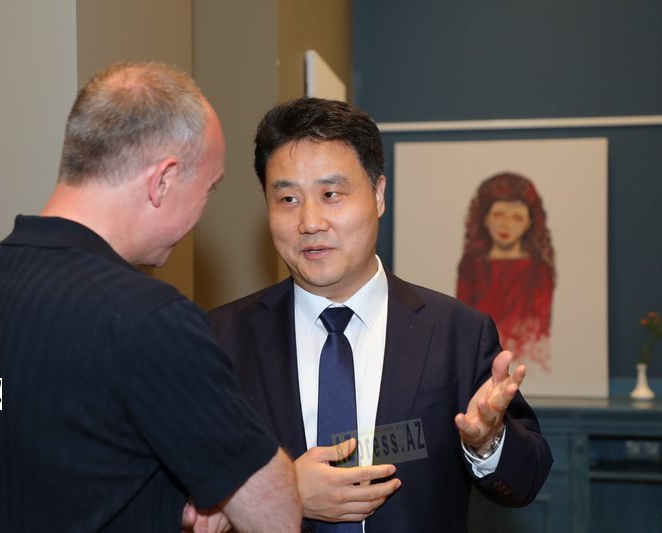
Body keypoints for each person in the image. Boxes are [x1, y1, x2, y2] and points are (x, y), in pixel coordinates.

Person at [0, 62, 300, 532]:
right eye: (208, 189)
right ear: (163, 180)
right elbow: (275, 515)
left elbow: (36, 444)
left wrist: (161, 499)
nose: (201, 213)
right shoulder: (147, 319)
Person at [209, 97, 553, 532]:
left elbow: (526, 481)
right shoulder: (218, 339)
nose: (310, 222)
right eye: (288, 199)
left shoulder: (457, 333)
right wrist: (283, 490)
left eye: (331, 195)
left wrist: (487, 442)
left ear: (377, 195)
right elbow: (174, 494)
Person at [456, 172, 555, 372]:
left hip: (523, 360)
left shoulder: (539, 271)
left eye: (517, 218)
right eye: (498, 215)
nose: (506, 224)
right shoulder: (471, 267)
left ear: (529, 223)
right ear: (484, 218)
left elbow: (537, 330)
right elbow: (462, 324)